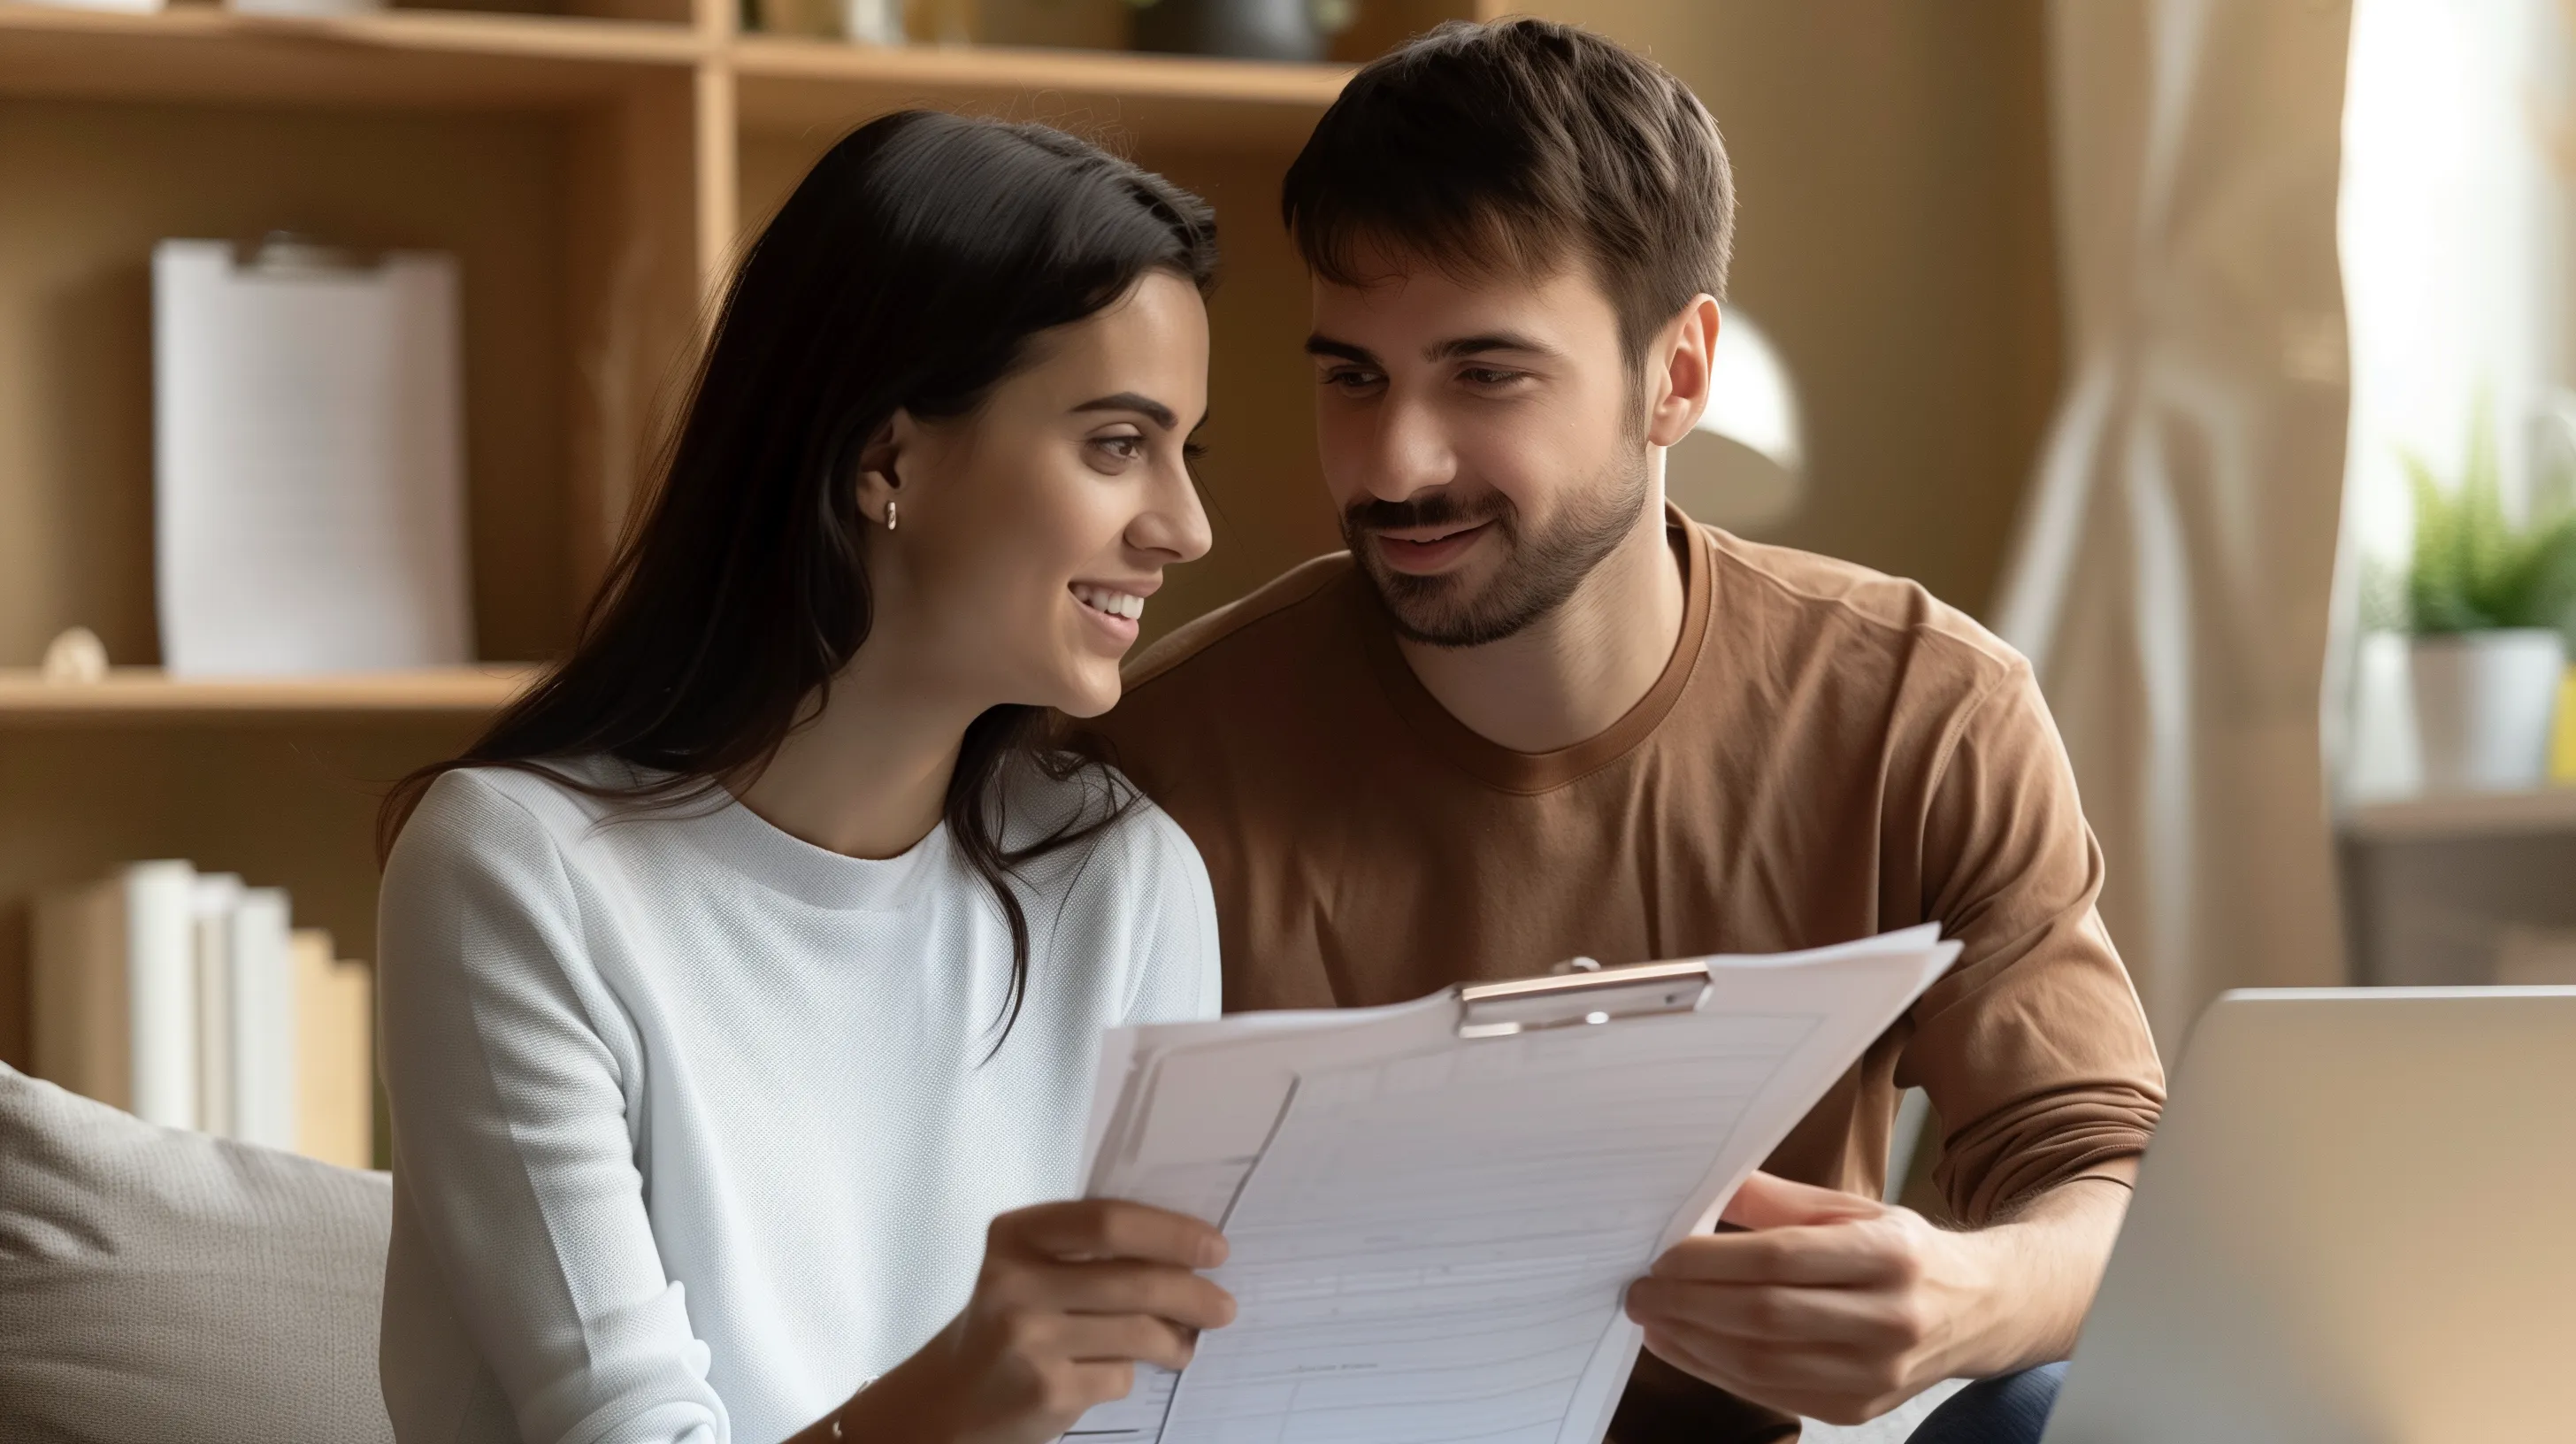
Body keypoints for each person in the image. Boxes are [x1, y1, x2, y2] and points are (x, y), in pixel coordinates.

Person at [1089, 19, 2166, 1443]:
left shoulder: (1923, 710)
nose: (1396, 462)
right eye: (1353, 375)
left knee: (2064, 1405)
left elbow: (2114, 1180)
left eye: (1486, 374)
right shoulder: (1158, 759)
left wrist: (1962, 1295)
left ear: (1680, 373)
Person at [373, 111, 1238, 1444]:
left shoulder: (1123, 881)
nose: (1185, 526)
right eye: (1118, 445)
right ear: (885, 462)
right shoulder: (519, 868)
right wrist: (946, 1406)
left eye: (1186, 451)